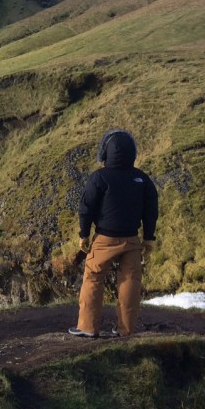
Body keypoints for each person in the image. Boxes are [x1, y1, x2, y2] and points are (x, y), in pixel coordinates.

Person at [69, 129, 158, 338]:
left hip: (104, 239)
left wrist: (84, 234)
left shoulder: (99, 177)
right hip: (132, 238)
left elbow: (86, 208)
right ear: (132, 153)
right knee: (130, 281)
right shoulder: (142, 179)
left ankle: (87, 327)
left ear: (105, 153)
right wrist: (149, 237)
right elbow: (151, 210)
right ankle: (125, 329)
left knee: (93, 277)